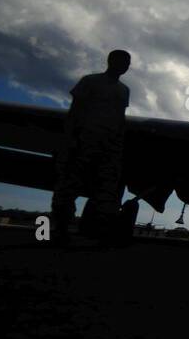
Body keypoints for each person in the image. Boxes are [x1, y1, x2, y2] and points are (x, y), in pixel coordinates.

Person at [50, 50, 131, 245]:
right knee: (69, 186)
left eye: (127, 63)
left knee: (107, 190)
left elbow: (120, 119)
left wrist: (117, 147)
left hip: (109, 148)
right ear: (110, 61)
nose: (125, 66)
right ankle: (61, 229)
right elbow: (75, 111)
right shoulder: (90, 81)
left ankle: (99, 232)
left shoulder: (124, 90)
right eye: (122, 61)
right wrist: (71, 140)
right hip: (84, 142)